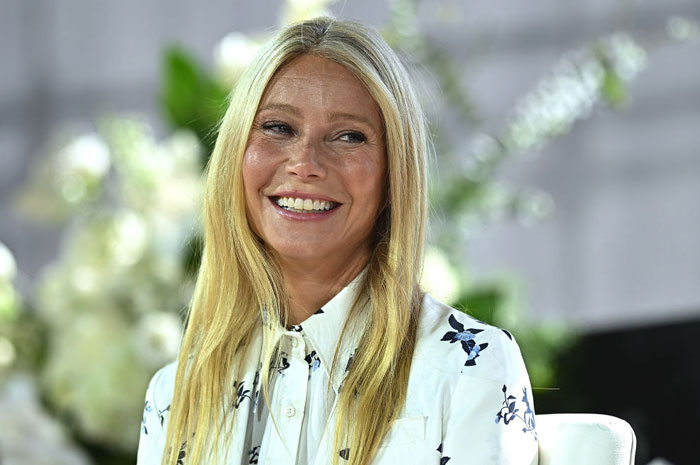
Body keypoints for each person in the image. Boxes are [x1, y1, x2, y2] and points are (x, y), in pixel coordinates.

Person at [137, 16, 538, 465]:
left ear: (394, 175)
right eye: (278, 128)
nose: (305, 163)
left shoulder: (472, 368)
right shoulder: (174, 396)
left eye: (349, 136)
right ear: (235, 155)